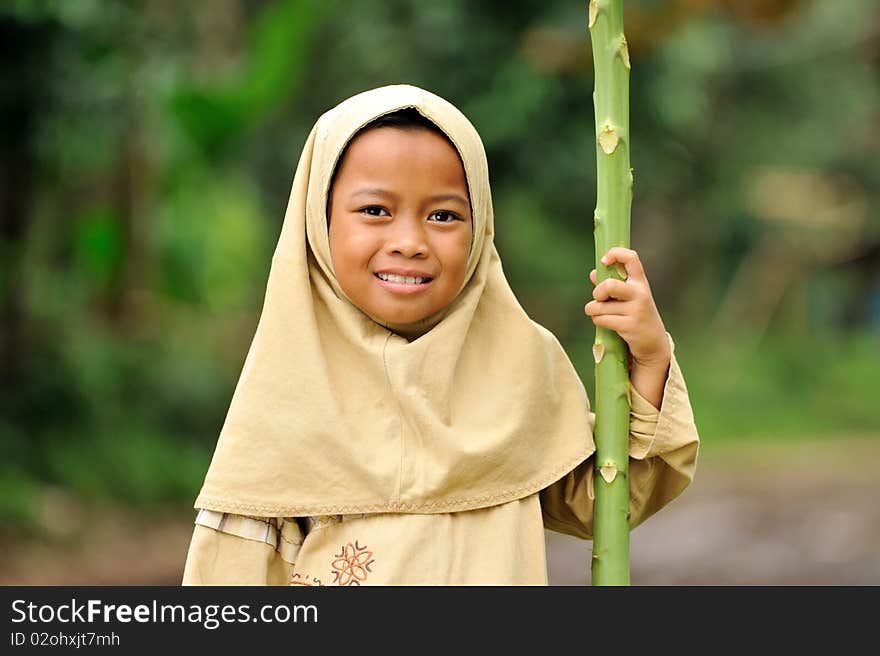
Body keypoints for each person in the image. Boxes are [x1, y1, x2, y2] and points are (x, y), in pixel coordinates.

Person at [181, 84, 699, 586]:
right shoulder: (283, 397)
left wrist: (650, 359)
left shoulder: (518, 369)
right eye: (375, 211)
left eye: (444, 215)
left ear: (480, 230)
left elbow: (609, 502)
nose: (409, 242)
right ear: (318, 218)